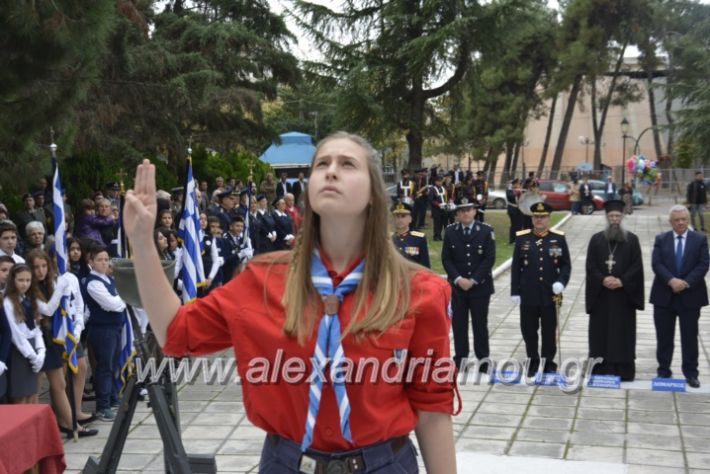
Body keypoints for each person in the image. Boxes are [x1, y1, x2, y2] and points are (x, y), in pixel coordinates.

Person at [123, 132, 457, 473]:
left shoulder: (418, 292)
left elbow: (432, 410)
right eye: (322, 164)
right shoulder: (262, 281)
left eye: (347, 164)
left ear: (373, 193)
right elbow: (176, 334)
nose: (331, 171)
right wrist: (143, 244)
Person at [650, 205, 709, 388]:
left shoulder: (699, 239)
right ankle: (664, 371)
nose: (681, 222)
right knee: (664, 336)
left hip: (690, 296)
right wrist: (671, 281)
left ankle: (691, 373)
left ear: (688, 220)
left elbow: (703, 264)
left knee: (689, 337)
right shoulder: (661, 239)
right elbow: (656, 263)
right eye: (677, 220)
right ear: (671, 222)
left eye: (684, 219)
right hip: (664, 296)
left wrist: (684, 282)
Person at [585, 200, 644, 381]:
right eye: (611, 216)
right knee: (600, 332)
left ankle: (623, 371)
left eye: (618, 216)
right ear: (607, 218)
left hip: (623, 297)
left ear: (623, 217)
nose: (615, 220)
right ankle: (600, 369)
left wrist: (622, 280)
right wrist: (603, 279)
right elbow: (590, 265)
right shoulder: (596, 239)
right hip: (601, 296)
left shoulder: (632, 240)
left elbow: (637, 266)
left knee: (622, 333)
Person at [510, 202, 571, 376]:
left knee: (549, 331)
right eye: (536, 217)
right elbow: (516, 267)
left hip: (550, 294)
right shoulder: (522, 238)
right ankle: (533, 361)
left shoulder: (558, 238)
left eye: (542, 217)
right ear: (532, 218)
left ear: (548, 218)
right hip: (528, 293)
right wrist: (515, 291)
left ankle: (548, 362)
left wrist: (561, 282)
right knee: (529, 330)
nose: (539, 220)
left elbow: (566, 265)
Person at [442, 198, 495, 372]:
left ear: (475, 212)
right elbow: (446, 259)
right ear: (457, 214)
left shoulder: (486, 231)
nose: (465, 213)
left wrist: (473, 280)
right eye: (462, 210)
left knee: (480, 324)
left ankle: (483, 359)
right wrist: (458, 279)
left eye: (469, 209)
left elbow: (489, 259)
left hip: (480, 286)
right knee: (459, 324)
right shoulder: (450, 231)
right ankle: (460, 359)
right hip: (457, 288)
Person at [84, 247, 127, 420]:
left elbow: (118, 302)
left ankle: (112, 397)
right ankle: (103, 406)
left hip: (114, 327)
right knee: (104, 367)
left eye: (106, 259)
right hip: (103, 329)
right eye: (100, 259)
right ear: (91, 262)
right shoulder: (93, 282)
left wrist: (120, 299)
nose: (104, 262)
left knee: (114, 364)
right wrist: (122, 297)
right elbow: (113, 305)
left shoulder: (108, 279)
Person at [3, 264, 45, 404]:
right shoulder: (8, 302)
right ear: (12, 280)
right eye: (20, 280)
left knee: (31, 394)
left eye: (28, 280)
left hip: (32, 347)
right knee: (21, 396)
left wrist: (41, 351)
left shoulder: (27, 299)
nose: (25, 284)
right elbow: (15, 333)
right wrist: (32, 355)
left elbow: (36, 328)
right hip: (20, 351)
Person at [391, 201, 430, 268]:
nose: (400, 220)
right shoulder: (388, 239)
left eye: (403, 216)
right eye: (397, 216)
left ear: (410, 219)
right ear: (393, 219)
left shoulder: (419, 239)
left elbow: (425, 265)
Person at [429, 175, 447, 241]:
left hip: (443, 208)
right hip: (436, 209)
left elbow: (445, 197)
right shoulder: (432, 189)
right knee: (437, 223)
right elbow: (431, 200)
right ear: (435, 182)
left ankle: (439, 235)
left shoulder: (443, 188)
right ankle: (436, 236)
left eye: (440, 181)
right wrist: (438, 204)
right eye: (438, 181)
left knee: (442, 223)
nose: (440, 183)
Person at [506, 179, 523, 243]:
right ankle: (512, 240)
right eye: (518, 183)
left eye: (519, 184)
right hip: (512, 210)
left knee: (520, 225)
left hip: (520, 210)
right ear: (514, 184)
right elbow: (510, 196)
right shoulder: (509, 190)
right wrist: (516, 192)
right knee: (514, 225)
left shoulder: (520, 190)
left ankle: (519, 239)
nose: (519, 185)